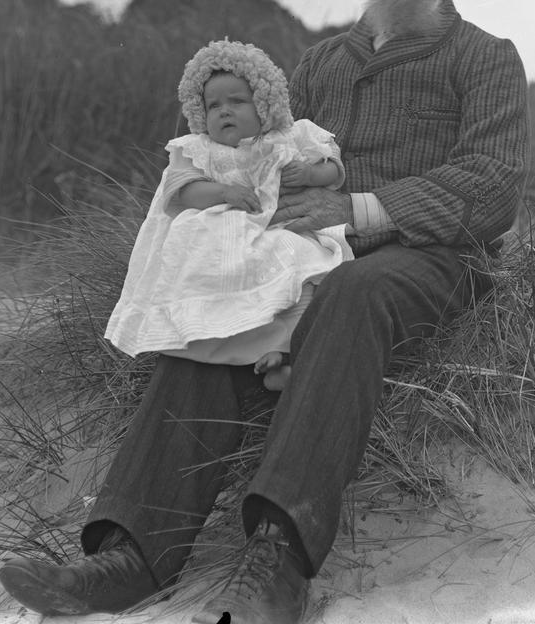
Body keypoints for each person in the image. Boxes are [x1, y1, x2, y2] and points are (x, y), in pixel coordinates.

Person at [0, 0, 530, 624]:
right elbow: (264, 150)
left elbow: (490, 186)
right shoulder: (318, 63)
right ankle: (127, 557)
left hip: (430, 253)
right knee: (223, 304)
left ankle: (278, 557)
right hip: (308, 244)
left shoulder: (484, 58)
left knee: (356, 292)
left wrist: (361, 207)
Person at [104, 38, 352, 391]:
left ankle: (285, 352)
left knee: (302, 277)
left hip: (279, 231)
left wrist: (312, 174)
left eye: (237, 101)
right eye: (213, 105)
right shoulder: (200, 150)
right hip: (219, 238)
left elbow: (333, 167)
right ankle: (224, 338)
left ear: (265, 104)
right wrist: (223, 192)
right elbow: (183, 191)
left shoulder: (289, 137)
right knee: (209, 278)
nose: (224, 111)